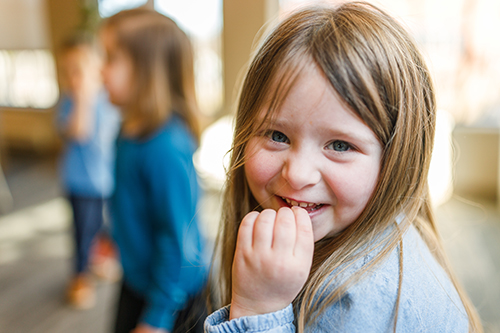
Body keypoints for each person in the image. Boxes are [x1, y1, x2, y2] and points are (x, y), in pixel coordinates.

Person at [204, 2, 483, 332]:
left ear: (397, 158)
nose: (297, 173)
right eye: (277, 135)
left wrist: (259, 309)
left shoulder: (358, 305)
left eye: (339, 145)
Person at [99, 8, 208, 333]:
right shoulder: (126, 130)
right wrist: (113, 235)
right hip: (137, 279)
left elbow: (177, 240)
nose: (101, 70)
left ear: (147, 71)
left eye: (110, 59)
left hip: (172, 297)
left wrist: (157, 318)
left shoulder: (166, 147)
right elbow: (128, 200)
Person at [57, 34, 121, 309]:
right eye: (68, 71)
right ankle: (79, 276)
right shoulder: (70, 105)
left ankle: (97, 261)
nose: (74, 77)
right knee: (84, 232)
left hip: (106, 181)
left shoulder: (108, 101)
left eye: (80, 69)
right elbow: (80, 132)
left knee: (104, 228)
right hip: (80, 184)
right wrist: (82, 98)